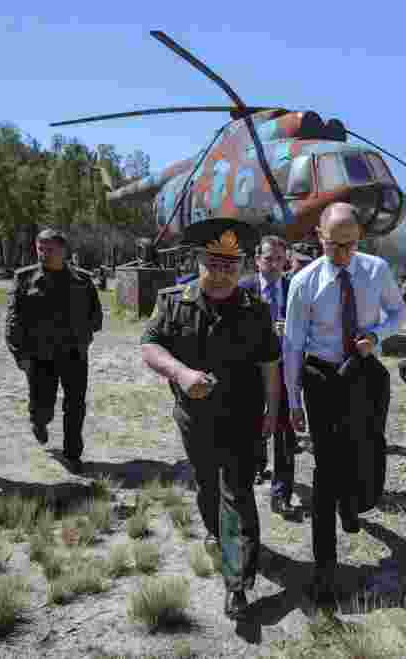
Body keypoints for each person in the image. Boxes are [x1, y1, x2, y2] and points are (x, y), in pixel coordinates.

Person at [140, 223, 280, 621]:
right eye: (214, 263)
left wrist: (273, 409)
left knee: (236, 493)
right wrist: (181, 374)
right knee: (206, 487)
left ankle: (236, 584)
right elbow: (150, 347)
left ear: (240, 266)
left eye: (230, 265)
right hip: (195, 418)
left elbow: (270, 364)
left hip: (243, 418)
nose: (222, 273)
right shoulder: (172, 302)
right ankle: (219, 534)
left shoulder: (256, 309)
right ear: (197, 260)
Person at [283, 202, 406, 611]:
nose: (342, 254)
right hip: (323, 379)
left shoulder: (376, 271)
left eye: (350, 245)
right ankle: (325, 565)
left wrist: (378, 336)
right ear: (319, 236)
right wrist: (293, 398)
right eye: (334, 246)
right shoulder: (304, 283)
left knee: (368, 451)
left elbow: (398, 312)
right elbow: (294, 345)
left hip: (366, 373)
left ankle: (353, 505)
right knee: (327, 470)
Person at [4, 229, 103, 474]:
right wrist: (20, 354)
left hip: (74, 354)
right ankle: (38, 420)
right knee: (43, 404)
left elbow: (96, 315)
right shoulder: (25, 278)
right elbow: (13, 319)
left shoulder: (82, 279)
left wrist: (85, 335)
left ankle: (72, 453)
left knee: (75, 405)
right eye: (40, 248)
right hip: (40, 356)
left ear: (63, 251)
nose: (44, 254)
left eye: (50, 249)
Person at [239, 235, 297, 517]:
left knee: (285, 433)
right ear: (257, 260)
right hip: (250, 373)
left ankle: (282, 492)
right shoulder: (242, 290)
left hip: (285, 371)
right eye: (268, 259)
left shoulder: (294, 288)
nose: (274, 265)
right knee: (253, 425)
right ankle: (255, 467)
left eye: (279, 259)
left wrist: (292, 332)